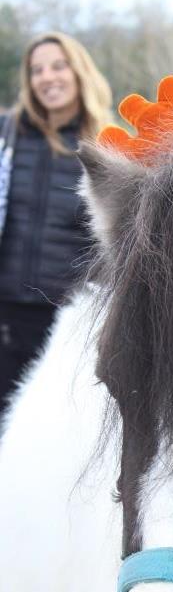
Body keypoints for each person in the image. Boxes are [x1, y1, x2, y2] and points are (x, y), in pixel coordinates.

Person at [0, 32, 112, 409]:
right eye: (37, 70)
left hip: (67, 323)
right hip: (5, 313)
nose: (47, 77)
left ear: (79, 71)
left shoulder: (106, 147)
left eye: (58, 66)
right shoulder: (6, 136)